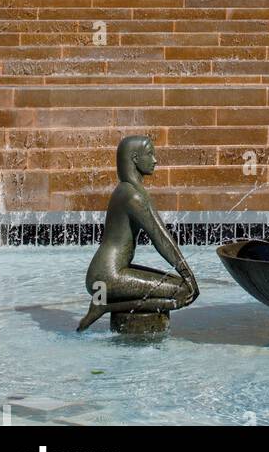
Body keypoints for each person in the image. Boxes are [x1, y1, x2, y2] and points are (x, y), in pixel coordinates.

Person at [77, 136, 198, 332]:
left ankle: (104, 304)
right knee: (184, 291)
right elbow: (160, 237)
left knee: (180, 287)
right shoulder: (132, 195)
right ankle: (105, 305)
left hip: (106, 274)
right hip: (107, 277)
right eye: (150, 154)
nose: (155, 160)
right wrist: (188, 275)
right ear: (134, 158)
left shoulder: (126, 190)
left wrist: (185, 272)